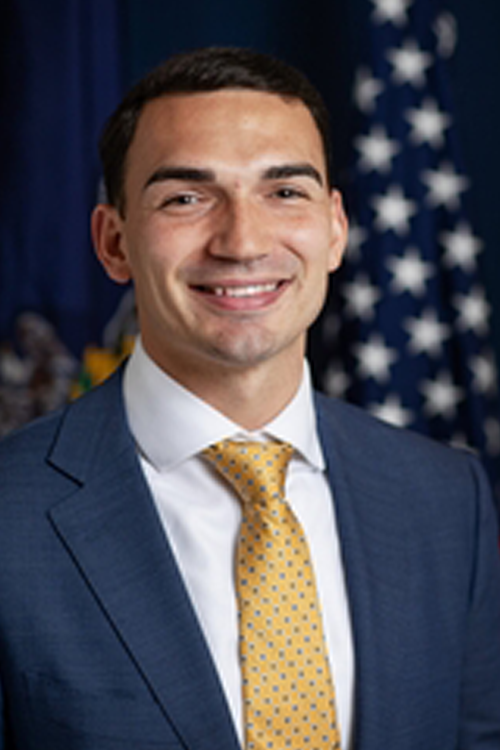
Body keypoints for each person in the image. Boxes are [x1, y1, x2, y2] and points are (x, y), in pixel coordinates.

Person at [0, 46, 499, 750]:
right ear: (114, 242)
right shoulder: (8, 519)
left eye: (284, 192)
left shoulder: (447, 498)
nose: (242, 241)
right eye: (186, 198)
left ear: (334, 229)